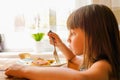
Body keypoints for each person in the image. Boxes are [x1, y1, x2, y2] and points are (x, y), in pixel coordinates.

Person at [5, 4, 120, 80]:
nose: (69, 38)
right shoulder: (93, 61)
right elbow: (74, 60)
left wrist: (25, 70)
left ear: (94, 36)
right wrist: (60, 44)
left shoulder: (104, 65)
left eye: (73, 33)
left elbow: (81, 78)